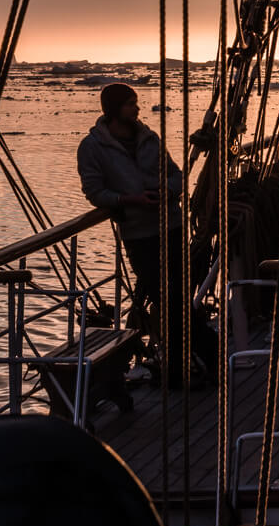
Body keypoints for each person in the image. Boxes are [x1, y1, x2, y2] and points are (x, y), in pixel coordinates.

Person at [77, 82, 216, 386]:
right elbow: (94, 191)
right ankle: (208, 357)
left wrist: (167, 191)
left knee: (177, 298)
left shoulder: (149, 138)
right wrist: (129, 200)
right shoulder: (93, 147)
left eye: (136, 103)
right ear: (114, 109)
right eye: (130, 104)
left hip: (172, 226)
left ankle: (184, 368)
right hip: (139, 233)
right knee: (165, 299)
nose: (137, 108)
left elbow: (176, 175)